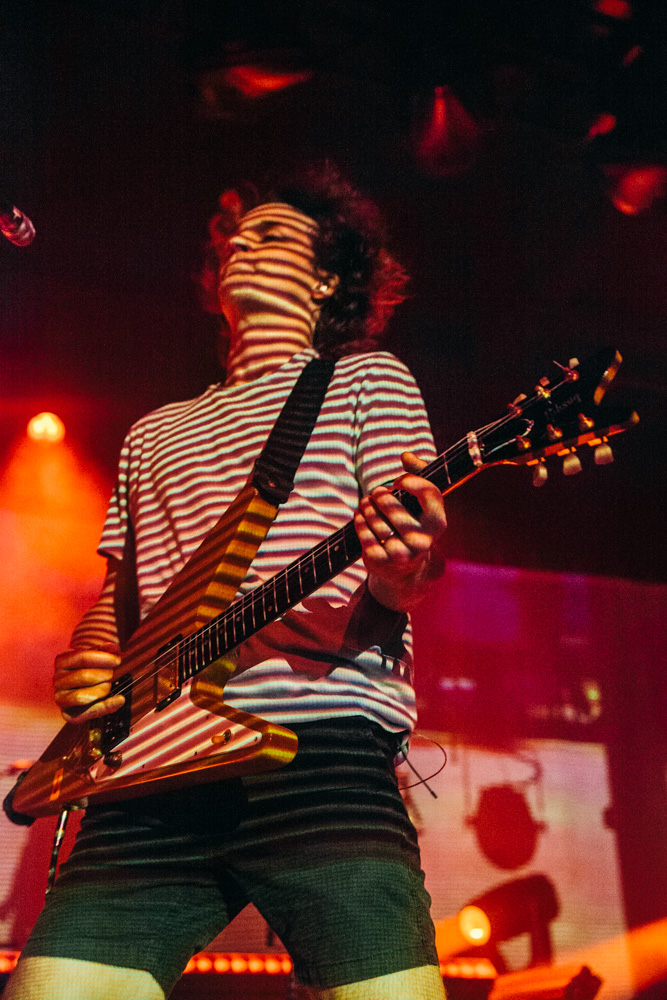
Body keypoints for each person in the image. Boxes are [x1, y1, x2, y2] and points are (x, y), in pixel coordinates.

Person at [6, 164, 448, 1000]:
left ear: (325, 278)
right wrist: (90, 659)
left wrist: (403, 564)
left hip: (317, 749)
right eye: (235, 239)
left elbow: (405, 573)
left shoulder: (367, 380)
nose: (241, 245)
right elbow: (120, 601)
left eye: (272, 235)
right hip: (152, 768)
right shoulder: (153, 433)